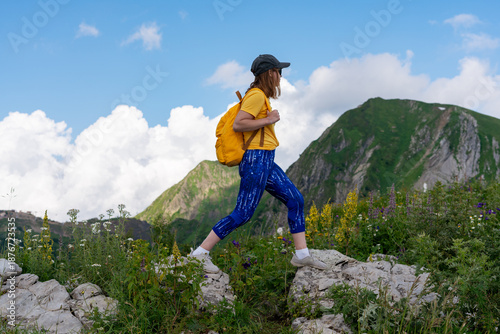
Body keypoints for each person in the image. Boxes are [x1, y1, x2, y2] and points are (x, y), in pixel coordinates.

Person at [190, 54, 327, 273]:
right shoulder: (255, 95)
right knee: (243, 213)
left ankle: (302, 255)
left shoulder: (261, 96)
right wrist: (269, 119)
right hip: (256, 160)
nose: (281, 76)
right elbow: (239, 124)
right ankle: (200, 254)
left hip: (265, 159)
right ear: (270, 73)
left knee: (295, 200)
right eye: (279, 72)